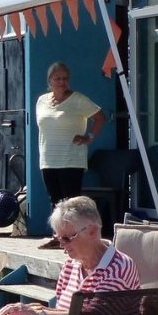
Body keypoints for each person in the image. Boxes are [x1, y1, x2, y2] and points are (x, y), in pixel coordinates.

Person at [0, 196, 139, 315]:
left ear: (93, 232)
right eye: (58, 238)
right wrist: (32, 310)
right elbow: (63, 311)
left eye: (66, 238)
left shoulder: (118, 266)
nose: (61, 245)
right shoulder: (71, 265)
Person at [36, 62, 106, 247]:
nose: (62, 82)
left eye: (65, 78)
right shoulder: (42, 101)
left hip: (71, 158)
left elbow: (100, 117)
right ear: (50, 80)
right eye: (57, 78)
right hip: (49, 158)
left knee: (71, 200)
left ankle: (75, 237)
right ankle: (58, 236)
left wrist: (89, 137)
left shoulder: (78, 99)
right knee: (55, 200)